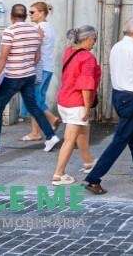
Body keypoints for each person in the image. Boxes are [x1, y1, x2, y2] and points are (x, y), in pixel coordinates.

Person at [84, 18, 133, 194]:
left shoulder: (117, 47)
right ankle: (94, 178)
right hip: (132, 98)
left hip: (119, 95)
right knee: (120, 140)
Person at [0, 4, 60, 155]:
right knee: (33, 107)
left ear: (12, 16)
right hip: (29, 76)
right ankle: (51, 136)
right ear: (25, 16)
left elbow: (3, 56)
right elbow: (37, 56)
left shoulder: (9, 31)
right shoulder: (35, 30)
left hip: (13, 76)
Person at [51, 25, 101, 186]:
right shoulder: (87, 58)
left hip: (64, 99)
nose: (95, 42)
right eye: (94, 39)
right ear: (87, 39)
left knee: (83, 132)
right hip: (76, 103)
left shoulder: (69, 51)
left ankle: (88, 162)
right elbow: (85, 85)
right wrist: (87, 108)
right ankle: (59, 174)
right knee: (69, 140)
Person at [22, 1, 61, 142]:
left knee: (33, 99)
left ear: (42, 13)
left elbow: (33, 49)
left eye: (32, 12)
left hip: (39, 68)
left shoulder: (39, 28)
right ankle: (35, 132)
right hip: (47, 68)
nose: (29, 15)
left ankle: (51, 119)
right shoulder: (49, 27)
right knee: (38, 98)